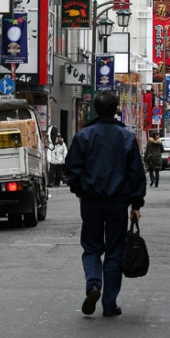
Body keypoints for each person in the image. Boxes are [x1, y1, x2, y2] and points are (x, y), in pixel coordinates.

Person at [63, 91, 146, 318]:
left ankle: (93, 285)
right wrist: (136, 204)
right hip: (118, 203)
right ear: (116, 109)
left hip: (90, 201)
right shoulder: (126, 137)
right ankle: (109, 303)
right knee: (114, 250)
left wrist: (79, 191)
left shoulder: (84, 136)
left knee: (91, 247)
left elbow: (71, 168)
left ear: (96, 110)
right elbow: (136, 172)